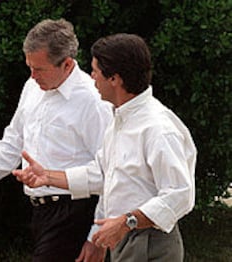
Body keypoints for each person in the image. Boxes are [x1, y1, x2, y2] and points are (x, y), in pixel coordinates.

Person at [13, 33, 197, 262]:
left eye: (96, 71)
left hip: (149, 241)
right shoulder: (119, 120)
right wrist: (48, 177)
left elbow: (180, 194)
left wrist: (126, 221)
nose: (92, 78)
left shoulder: (157, 128)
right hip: (125, 238)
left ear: (114, 79)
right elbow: (102, 175)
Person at [0, 18, 112, 261]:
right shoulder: (32, 86)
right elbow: (14, 140)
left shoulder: (93, 101)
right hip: (40, 212)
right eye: (29, 67)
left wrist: (97, 236)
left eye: (39, 69)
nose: (32, 76)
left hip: (77, 211)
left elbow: (110, 171)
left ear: (66, 64)